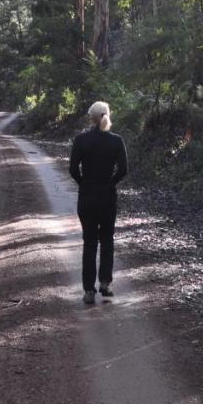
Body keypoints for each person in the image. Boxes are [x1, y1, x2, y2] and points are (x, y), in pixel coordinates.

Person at [68, 101, 128, 304]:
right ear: (108, 116)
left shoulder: (81, 140)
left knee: (90, 243)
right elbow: (123, 170)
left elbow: (73, 169)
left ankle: (88, 291)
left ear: (91, 118)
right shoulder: (117, 141)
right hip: (108, 197)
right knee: (107, 240)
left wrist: (84, 183)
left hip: (87, 198)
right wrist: (110, 183)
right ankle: (105, 283)